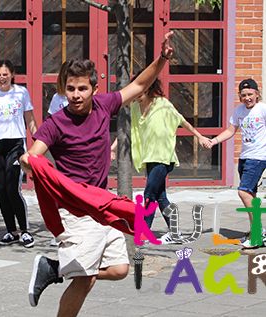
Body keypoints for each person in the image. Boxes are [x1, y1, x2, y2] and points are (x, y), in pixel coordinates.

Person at [21, 32, 175, 316]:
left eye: (81, 88)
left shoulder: (105, 105)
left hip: (101, 204)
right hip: (76, 210)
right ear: (64, 90)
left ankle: (54, 268)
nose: (75, 95)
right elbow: (34, 154)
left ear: (93, 88)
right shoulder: (57, 123)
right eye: (70, 89)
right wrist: (29, 162)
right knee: (84, 278)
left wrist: (162, 59)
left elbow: (140, 83)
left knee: (119, 270)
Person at [112, 75, 211, 244]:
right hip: (150, 157)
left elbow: (182, 120)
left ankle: (142, 234)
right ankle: (174, 233)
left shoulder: (163, 104)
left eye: (140, 90)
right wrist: (113, 148)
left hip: (163, 157)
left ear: (149, 87)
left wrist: (200, 136)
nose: (136, 95)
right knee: (160, 197)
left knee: (149, 195)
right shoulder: (135, 107)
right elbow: (127, 130)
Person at [0, 60, 38, 248]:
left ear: (12, 74)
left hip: (16, 144)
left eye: (5, 74)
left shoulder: (21, 92)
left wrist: (38, 141)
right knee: (2, 190)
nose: (2, 78)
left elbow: (30, 118)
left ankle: (25, 231)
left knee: (13, 188)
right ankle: (11, 231)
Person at [204, 78, 266, 249]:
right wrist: (214, 141)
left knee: (243, 192)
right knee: (251, 196)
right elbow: (231, 130)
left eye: (250, 94)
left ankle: (257, 235)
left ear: (257, 94)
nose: (247, 98)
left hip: (259, 157)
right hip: (245, 157)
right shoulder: (239, 111)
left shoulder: (262, 109)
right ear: (240, 96)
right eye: (244, 95)